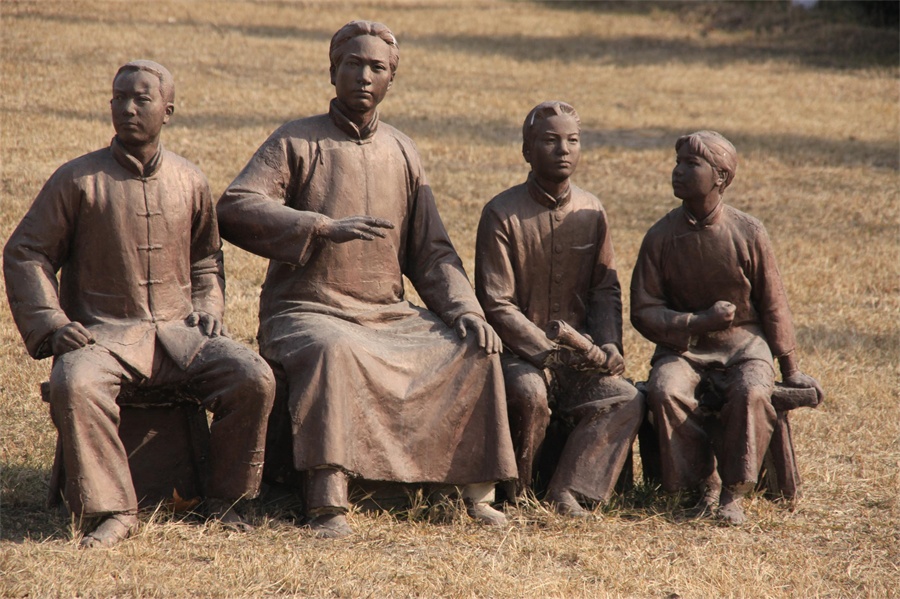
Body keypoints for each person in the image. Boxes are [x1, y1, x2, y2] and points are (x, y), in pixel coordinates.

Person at [216, 21, 517, 538]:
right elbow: (235, 206)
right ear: (333, 70)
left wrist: (466, 310)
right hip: (307, 312)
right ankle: (327, 501)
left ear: (391, 79)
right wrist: (317, 227)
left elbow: (432, 251)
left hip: (386, 314)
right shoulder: (295, 139)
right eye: (353, 63)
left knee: (474, 347)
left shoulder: (402, 150)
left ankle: (472, 491)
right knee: (334, 350)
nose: (363, 75)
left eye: (377, 67)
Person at [4, 60, 276, 548]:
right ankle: (113, 510)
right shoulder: (77, 179)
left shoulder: (189, 180)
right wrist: (53, 324)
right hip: (104, 336)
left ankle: (226, 498)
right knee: (74, 382)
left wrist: (209, 305)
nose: (127, 108)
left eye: (141, 99)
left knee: (252, 376)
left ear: (167, 111)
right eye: (119, 98)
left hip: (181, 336)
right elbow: (26, 252)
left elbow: (206, 260)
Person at [630, 130, 824, 524]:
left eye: (691, 164)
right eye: (677, 162)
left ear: (720, 176)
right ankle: (701, 484)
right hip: (684, 349)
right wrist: (695, 322)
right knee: (665, 390)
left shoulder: (749, 232)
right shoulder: (660, 236)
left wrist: (790, 369)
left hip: (744, 348)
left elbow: (774, 303)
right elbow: (643, 310)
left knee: (752, 392)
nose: (678, 171)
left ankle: (734, 491)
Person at [474, 101, 645, 516]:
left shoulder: (592, 211)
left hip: (580, 357)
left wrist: (609, 344)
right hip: (519, 357)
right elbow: (496, 303)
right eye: (550, 140)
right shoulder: (502, 213)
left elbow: (605, 289)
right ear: (527, 150)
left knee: (624, 397)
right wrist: (545, 352)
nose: (563, 149)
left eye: (573, 140)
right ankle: (517, 495)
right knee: (530, 393)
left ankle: (567, 491)